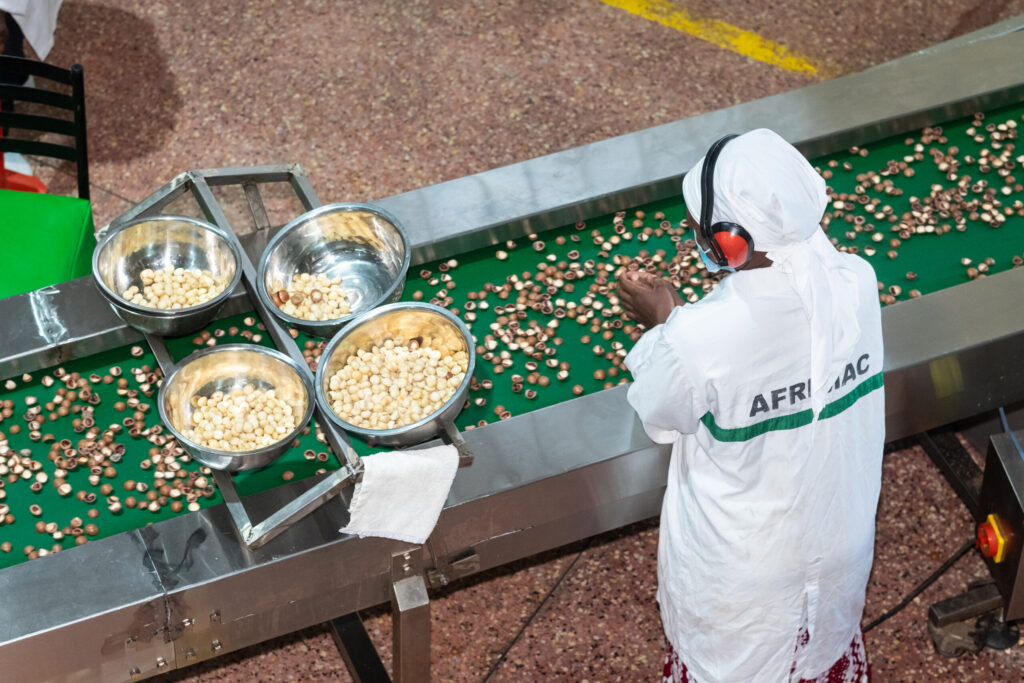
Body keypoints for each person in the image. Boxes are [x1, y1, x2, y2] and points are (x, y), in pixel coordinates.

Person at [618, 129, 883, 683]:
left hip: (744, 578)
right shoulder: (858, 281)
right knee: (820, 653)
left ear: (729, 243)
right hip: (841, 545)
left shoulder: (699, 336)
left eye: (698, 230)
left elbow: (660, 415)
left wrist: (665, 319)